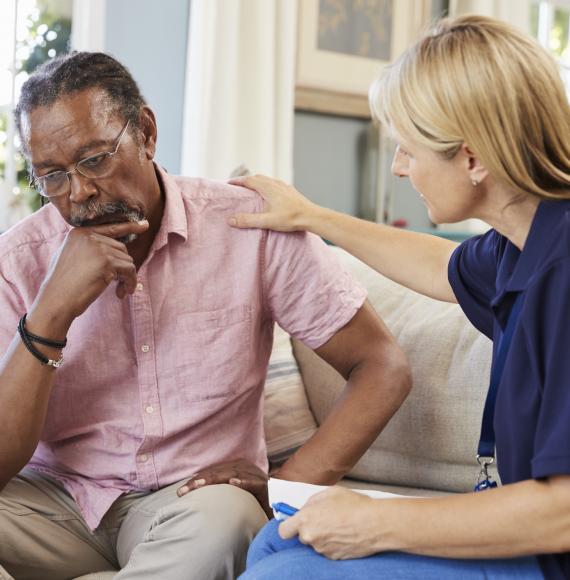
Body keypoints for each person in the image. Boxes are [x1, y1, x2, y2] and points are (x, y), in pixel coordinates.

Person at [0, 52, 412, 580]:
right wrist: (50, 312)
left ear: (146, 133)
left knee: (225, 524)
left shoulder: (250, 227)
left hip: (191, 505)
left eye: (95, 159)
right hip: (55, 505)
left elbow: (382, 366)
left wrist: (288, 483)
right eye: (52, 176)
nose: (78, 193)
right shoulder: (19, 260)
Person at [229, 14, 570, 580]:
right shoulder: (525, 239)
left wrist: (374, 522)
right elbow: (443, 267)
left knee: (282, 573)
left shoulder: (562, 274)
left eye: (408, 149)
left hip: (549, 552)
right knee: (274, 541)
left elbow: (562, 512)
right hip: (530, 542)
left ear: (472, 158)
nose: (398, 166)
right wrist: (311, 216)